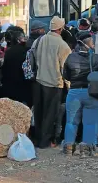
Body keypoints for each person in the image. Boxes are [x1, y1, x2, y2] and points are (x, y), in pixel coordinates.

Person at [62, 31, 98, 156]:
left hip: (74, 92)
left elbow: (66, 75)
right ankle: (86, 148)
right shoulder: (96, 58)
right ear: (90, 43)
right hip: (91, 92)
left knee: (71, 121)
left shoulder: (70, 57)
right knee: (90, 122)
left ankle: (69, 146)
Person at [33, 16, 71, 148]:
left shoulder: (40, 40)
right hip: (54, 84)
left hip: (39, 81)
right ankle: (46, 142)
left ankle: (37, 139)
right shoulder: (63, 45)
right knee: (50, 115)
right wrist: (69, 85)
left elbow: (34, 56)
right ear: (61, 29)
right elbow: (65, 68)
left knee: (39, 112)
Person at [1, 31, 30, 105]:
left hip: (9, 83)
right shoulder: (26, 50)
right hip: (22, 83)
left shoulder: (9, 51)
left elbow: (5, 67)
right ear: (19, 39)